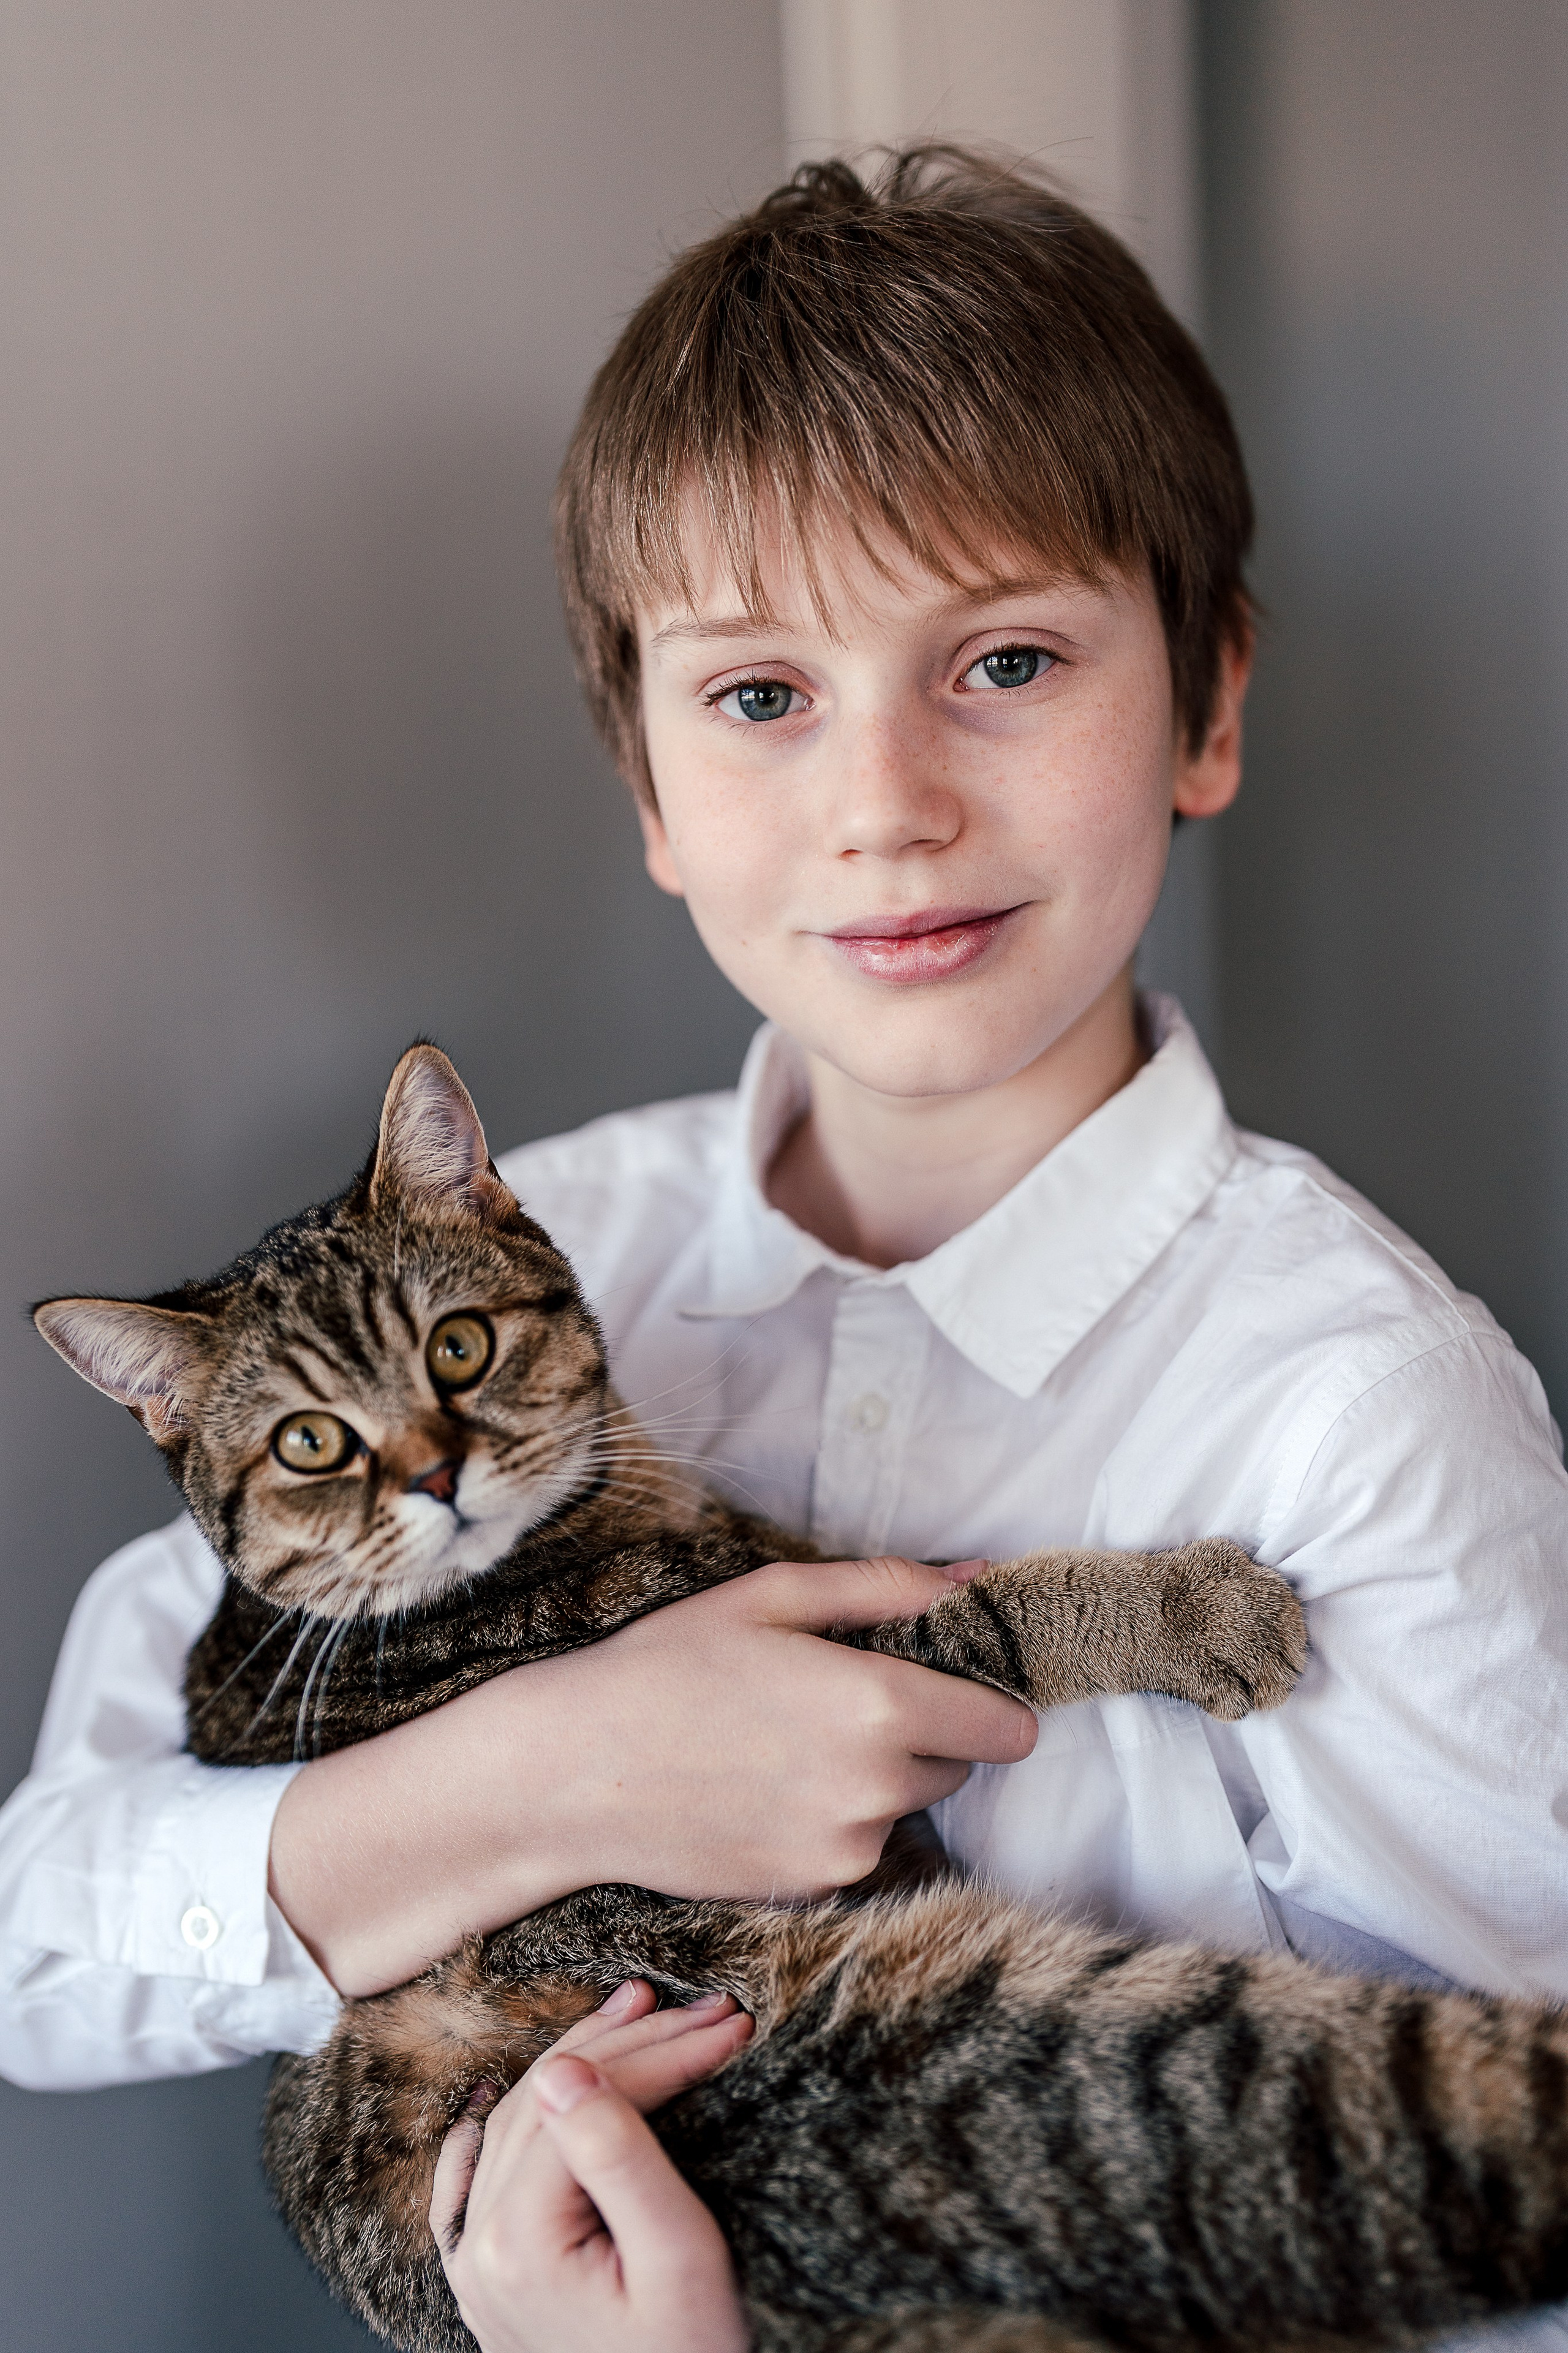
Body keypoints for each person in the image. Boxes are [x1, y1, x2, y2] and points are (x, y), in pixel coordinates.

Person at [4, 148, 1567, 2351]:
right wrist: (537, 1774)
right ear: (642, 783)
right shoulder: (510, 1274)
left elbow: (1496, 2239)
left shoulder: (1360, 1407)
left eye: (1004, 658)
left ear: (1210, 702)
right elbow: (36, 1936)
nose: (886, 801)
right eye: (759, 696)